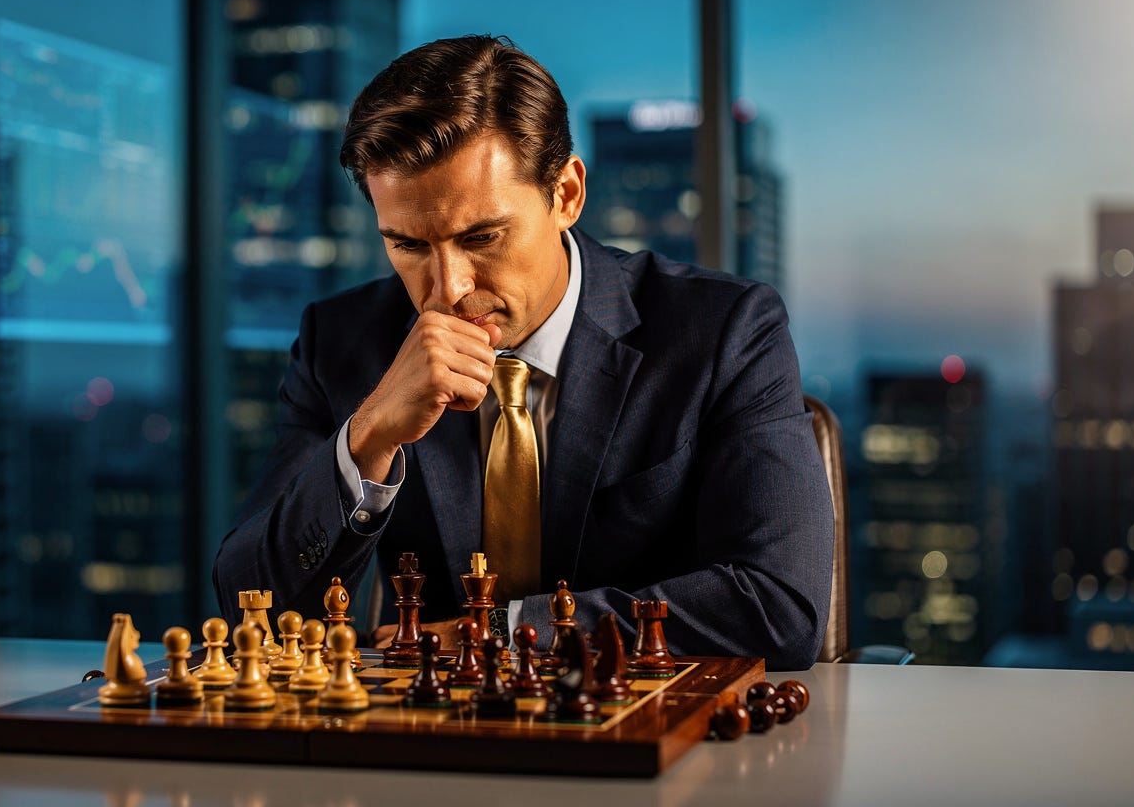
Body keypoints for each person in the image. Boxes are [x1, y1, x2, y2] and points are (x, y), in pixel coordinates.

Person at [213, 35, 833, 670]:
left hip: (653, 737)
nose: (447, 289)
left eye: (482, 236)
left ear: (565, 195)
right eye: (407, 245)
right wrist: (367, 437)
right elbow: (245, 609)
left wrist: (512, 633)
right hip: (438, 740)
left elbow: (780, 608)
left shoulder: (724, 330)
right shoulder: (342, 341)